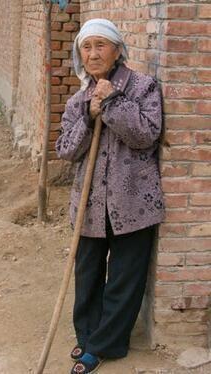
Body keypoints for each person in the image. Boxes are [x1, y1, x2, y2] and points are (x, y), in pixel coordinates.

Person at [55, 19, 165, 374]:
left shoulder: (144, 88)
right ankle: (87, 334)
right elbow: (66, 151)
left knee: (124, 277)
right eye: (86, 47)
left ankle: (103, 345)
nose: (93, 53)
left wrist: (113, 103)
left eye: (100, 45)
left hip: (134, 203)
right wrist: (89, 116)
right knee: (86, 274)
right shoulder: (77, 100)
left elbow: (146, 134)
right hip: (89, 204)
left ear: (118, 49)